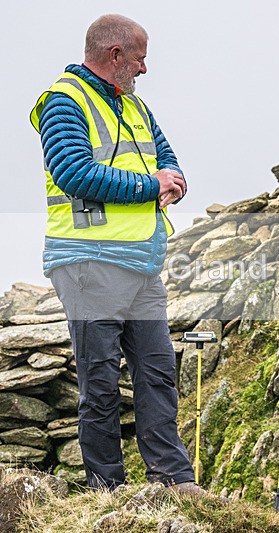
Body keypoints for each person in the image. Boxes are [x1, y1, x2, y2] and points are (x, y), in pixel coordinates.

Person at [30, 14, 205, 496]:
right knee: (101, 382)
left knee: (157, 372)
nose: (145, 68)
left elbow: (165, 154)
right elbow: (73, 172)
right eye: (141, 58)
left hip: (140, 264)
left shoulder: (135, 105)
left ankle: (173, 481)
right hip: (88, 261)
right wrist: (153, 185)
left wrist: (174, 178)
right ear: (115, 55)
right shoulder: (63, 101)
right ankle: (106, 490)